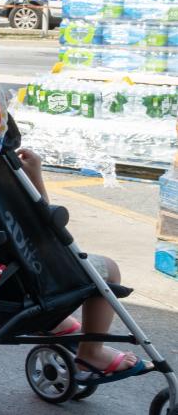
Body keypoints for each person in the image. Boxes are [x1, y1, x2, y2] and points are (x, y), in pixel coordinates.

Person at [17, 148, 147, 381]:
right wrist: (35, 174)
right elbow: (43, 223)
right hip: (31, 274)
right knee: (108, 269)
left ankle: (53, 322)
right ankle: (91, 352)